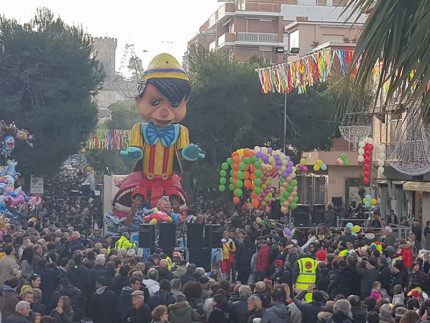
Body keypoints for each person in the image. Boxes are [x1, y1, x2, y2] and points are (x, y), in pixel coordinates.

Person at [120, 53, 204, 219]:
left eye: (174, 104)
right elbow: (136, 147)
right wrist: (134, 151)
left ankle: (181, 226)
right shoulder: (140, 129)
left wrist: (190, 153)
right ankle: (129, 223)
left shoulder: (181, 131)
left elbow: (183, 150)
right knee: (136, 201)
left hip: (169, 179)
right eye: (155, 102)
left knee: (175, 202)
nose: (165, 111)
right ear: (139, 100)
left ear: (185, 101)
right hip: (146, 178)